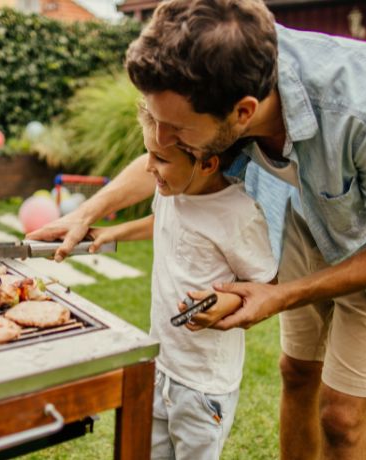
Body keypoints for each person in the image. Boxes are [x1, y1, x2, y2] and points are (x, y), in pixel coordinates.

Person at [28, 0, 366, 458]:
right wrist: (88, 212)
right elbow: (167, 160)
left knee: (341, 417)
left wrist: (281, 295)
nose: (161, 140)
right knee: (297, 373)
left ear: (243, 113)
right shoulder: (219, 71)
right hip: (302, 220)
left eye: (179, 130)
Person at [87, 104, 276, 459]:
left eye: (159, 158)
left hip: (203, 385)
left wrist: (226, 304)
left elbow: (266, 284)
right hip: (161, 365)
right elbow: (161, 224)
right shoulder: (172, 190)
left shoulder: (239, 215)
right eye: (149, 154)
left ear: (207, 163)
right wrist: (113, 232)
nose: (148, 167)